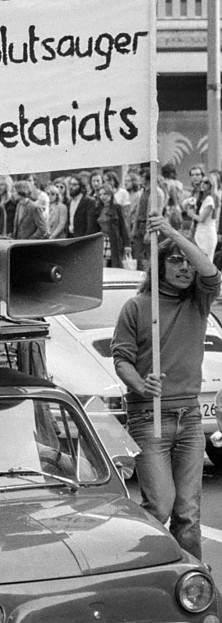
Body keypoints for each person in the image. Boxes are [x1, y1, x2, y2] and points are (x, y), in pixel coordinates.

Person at [111, 213, 221, 561]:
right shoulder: (136, 307)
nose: (186, 267)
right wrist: (141, 384)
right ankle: (145, 570)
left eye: (189, 261)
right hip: (149, 417)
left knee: (188, 513)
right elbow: (121, 360)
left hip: (189, 418)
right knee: (159, 506)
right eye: (176, 260)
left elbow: (211, 272)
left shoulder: (198, 302)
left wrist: (173, 233)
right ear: (159, 265)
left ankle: (192, 582)